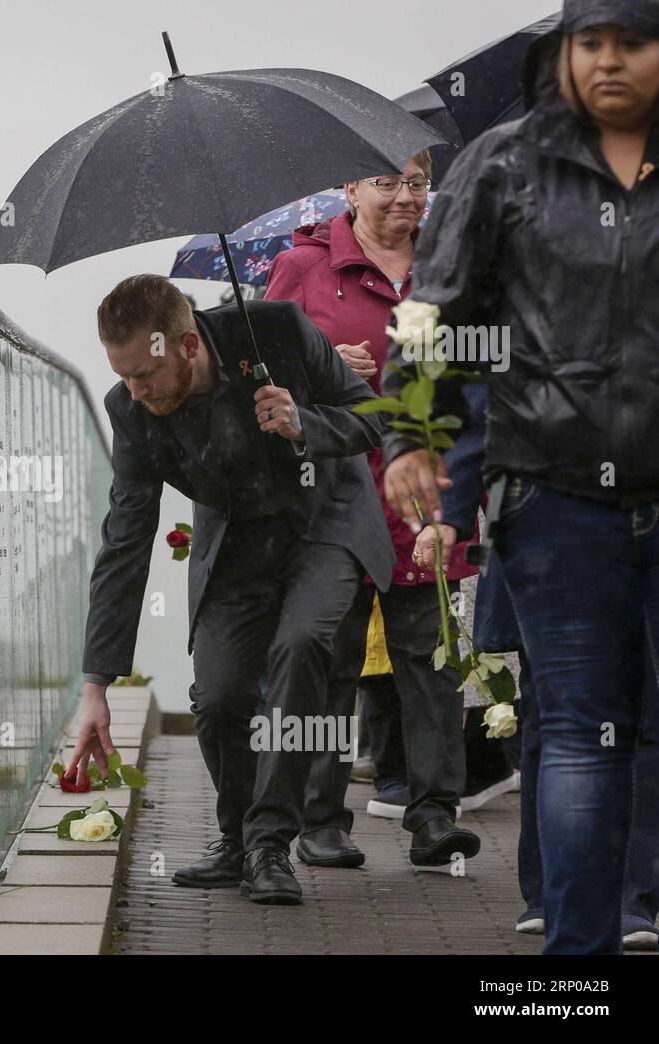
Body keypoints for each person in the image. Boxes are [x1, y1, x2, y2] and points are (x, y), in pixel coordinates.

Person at [382, 0, 659, 953]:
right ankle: (576, 962)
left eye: (634, 43)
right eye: (593, 43)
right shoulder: (503, 165)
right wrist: (413, 433)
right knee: (578, 728)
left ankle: (638, 906)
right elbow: (432, 309)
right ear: (565, 53)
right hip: (555, 490)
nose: (611, 61)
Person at [69, 274, 393, 905]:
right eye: (123, 376)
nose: (135, 391)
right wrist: (95, 686)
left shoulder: (276, 329)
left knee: (300, 644)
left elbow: (372, 417)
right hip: (238, 543)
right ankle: (239, 839)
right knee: (217, 698)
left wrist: (303, 424)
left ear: (188, 345)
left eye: (145, 374)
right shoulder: (130, 411)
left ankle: (269, 843)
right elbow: (124, 544)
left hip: (324, 523)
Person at [264, 150, 482, 869]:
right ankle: (321, 819)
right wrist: (320, 364)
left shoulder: (451, 266)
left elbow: (481, 376)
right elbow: (255, 373)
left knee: (433, 661)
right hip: (335, 501)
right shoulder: (303, 268)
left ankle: (434, 815)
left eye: (416, 182)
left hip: (428, 494)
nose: (403, 196)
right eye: (386, 182)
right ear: (350, 188)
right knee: (332, 661)